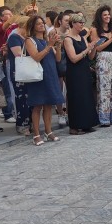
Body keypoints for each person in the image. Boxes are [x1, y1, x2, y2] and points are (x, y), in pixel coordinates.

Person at [24, 16, 64, 146]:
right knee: (37, 106)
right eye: (38, 24)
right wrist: (49, 46)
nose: (42, 25)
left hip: (50, 74)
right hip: (38, 76)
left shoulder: (47, 40)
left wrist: (57, 46)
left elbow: (58, 59)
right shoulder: (30, 40)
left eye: (42, 23)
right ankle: (36, 134)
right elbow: (36, 57)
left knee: (49, 104)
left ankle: (48, 131)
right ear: (32, 26)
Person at [63, 14, 99, 134]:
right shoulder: (68, 39)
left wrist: (93, 47)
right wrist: (86, 49)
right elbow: (73, 58)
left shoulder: (82, 37)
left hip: (84, 69)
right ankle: (74, 126)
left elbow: (90, 56)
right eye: (80, 23)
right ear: (73, 24)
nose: (82, 25)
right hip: (74, 72)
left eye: (83, 23)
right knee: (76, 97)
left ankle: (87, 123)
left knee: (86, 96)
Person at [90, 6, 112, 126]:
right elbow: (97, 48)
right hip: (103, 58)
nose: (107, 17)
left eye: (108, 14)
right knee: (104, 89)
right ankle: (104, 118)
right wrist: (110, 39)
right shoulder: (95, 30)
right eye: (105, 15)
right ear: (100, 17)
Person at [7, 16, 32, 135]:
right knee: (21, 98)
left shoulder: (27, 37)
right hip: (19, 71)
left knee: (29, 97)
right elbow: (18, 54)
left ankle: (29, 122)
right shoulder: (14, 37)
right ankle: (22, 124)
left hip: (28, 70)